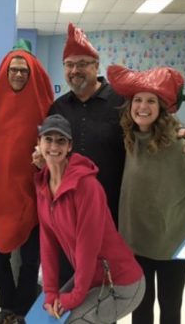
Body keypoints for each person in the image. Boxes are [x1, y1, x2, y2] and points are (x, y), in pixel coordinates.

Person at [33, 23, 185, 287]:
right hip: (69, 214)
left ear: (96, 65)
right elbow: (49, 148)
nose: (75, 70)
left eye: (82, 63)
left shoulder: (120, 103)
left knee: (107, 287)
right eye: (69, 64)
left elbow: (151, 120)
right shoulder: (58, 107)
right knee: (70, 281)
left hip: (114, 216)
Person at [107, 64, 185, 324]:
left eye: (150, 101)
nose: (142, 106)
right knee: (140, 308)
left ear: (161, 108)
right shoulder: (127, 139)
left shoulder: (181, 144)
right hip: (136, 243)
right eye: (137, 100)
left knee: (170, 308)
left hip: (174, 243)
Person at [35, 114, 145, 323]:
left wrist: (74, 297)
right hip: (92, 278)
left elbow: (88, 247)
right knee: (48, 317)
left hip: (121, 282)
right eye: (48, 139)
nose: (53, 146)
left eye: (61, 140)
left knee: (72, 320)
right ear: (38, 143)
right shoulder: (43, 185)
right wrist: (50, 292)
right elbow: (47, 243)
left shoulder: (86, 186)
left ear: (70, 146)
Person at [0, 39, 54, 324]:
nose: (17, 75)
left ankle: (23, 309)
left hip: (33, 193)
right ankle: (7, 306)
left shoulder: (47, 107)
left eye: (23, 71)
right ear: (5, 72)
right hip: (0, 194)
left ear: (32, 74)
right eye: (13, 69)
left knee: (30, 260)